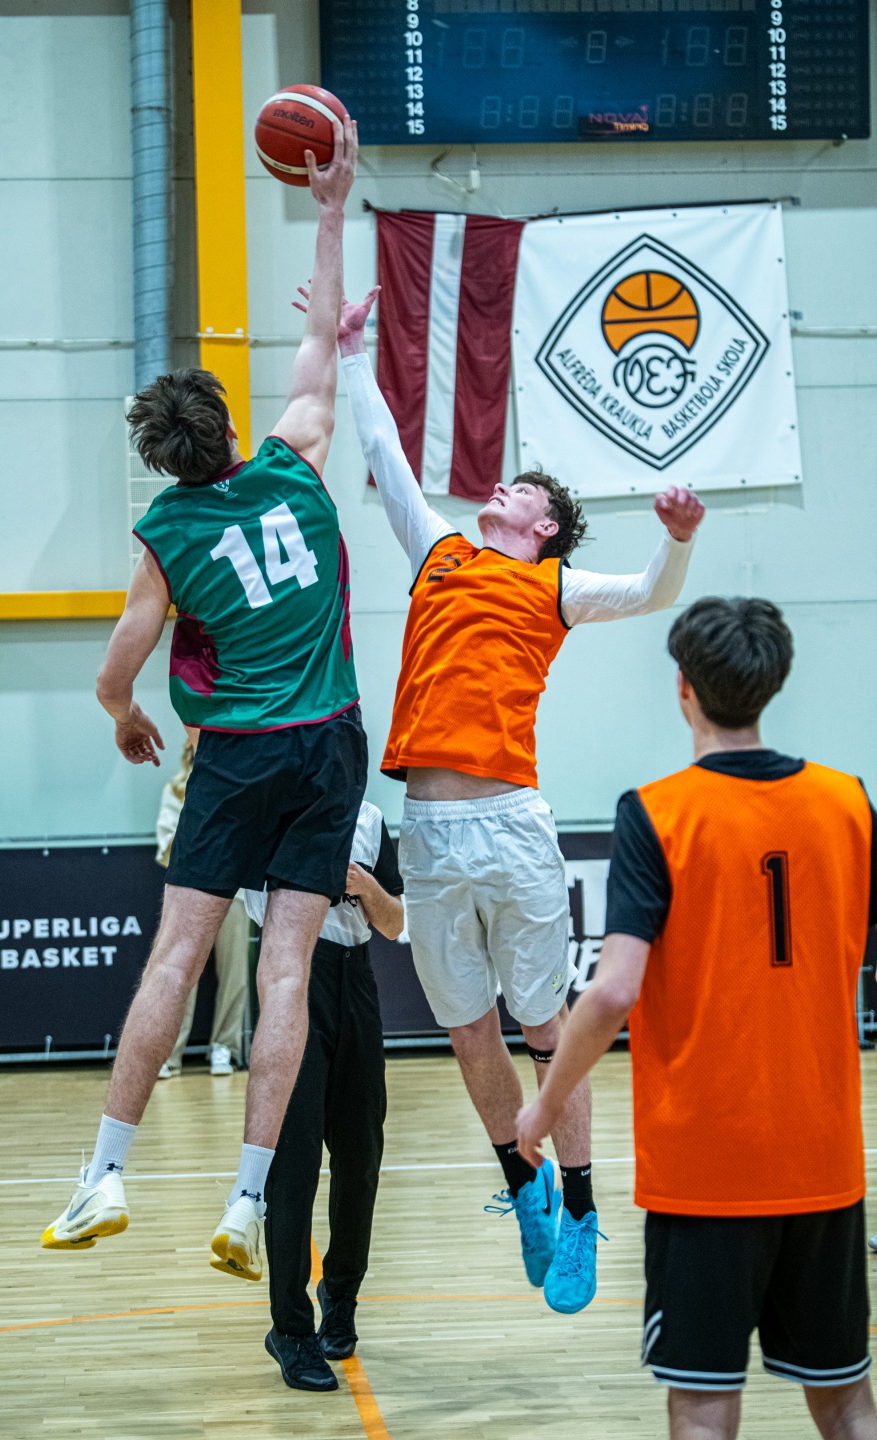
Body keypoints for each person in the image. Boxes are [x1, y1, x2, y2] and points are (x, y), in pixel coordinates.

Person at [330, 287, 704, 1315]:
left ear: (543, 527)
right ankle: (523, 1185)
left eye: (521, 489)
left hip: (510, 825)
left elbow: (653, 593)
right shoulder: (439, 552)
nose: (499, 486)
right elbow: (385, 452)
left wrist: (678, 538)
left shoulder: (557, 587)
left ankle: (580, 1205)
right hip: (430, 832)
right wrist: (355, 350)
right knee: (467, 1031)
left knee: (544, 1025)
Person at [41, 117, 367, 1288]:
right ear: (232, 431)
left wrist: (125, 718)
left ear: (163, 460)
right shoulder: (292, 462)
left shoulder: (165, 535)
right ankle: (247, 1198)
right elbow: (320, 342)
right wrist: (328, 208)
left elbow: (115, 671)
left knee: (176, 959)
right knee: (284, 973)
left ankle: (105, 1176)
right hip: (328, 746)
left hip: (234, 755)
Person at [516, 597, 876, 1440]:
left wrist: (544, 1106)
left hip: (705, 1171)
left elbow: (613, 992)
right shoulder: (849, 803)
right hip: (823, 1157)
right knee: (845, 1401)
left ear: (683, 686)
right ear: (774, 682)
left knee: (705, 1408)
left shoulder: (657, 813)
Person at [237, 800, 403, 1393]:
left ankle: (342, 1294)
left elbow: (395, 922)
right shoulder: (263, 806)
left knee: (361, 1156)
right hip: (290, 975)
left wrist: (364, 886)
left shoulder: (370, 819)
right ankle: (290, 1328)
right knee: (294, 1163)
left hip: (355, 981)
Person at [155, 734, 250, 1077]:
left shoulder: (241, 787)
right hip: (189, 893)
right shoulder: (175, 790)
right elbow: (166, 846)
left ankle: (225, 1047)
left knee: (235, 973)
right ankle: (169, 1053)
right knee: (180, 972)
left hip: (235, 891)